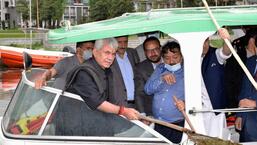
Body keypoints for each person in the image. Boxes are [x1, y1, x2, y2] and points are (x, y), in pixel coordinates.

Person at [144, 41, 185, 143]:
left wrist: (185, 103)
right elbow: (147, 90)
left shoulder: (188, 71)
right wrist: (161, 79)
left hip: (177, 124)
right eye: (167, 58)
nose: (171, 61)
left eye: (175, 57)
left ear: (182, 56)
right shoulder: (160, 68)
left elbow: (198, 94)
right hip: (159, 122)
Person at [201, 28, 231, 110]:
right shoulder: (187, 57)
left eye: (206, 41)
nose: (204, 45)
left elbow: (226, 52)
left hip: (215, 110)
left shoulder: (215, 54)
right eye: (201, 42)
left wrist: (227, 39)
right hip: (195, 107)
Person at [235, 34, 257, 142]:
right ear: (255, 48)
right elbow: (244, 89)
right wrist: (240, 115)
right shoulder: (250, 62)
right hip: (246, 123)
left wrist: (254, 104)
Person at [135, 36, 162, 116]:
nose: (153, 53)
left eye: (155, 49)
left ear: (160, 48)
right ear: (144, 52)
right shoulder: (140, 68)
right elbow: (139, 93)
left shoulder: (171, 62)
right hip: (152, 114)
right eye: (149, 50)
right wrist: (142, 114)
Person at [110, 35, 139, 108]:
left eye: (125, 42)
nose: (123, 45)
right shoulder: (109, 57)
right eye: (119, 42)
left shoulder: (132, 53)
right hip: (118, 105)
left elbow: (139, 76)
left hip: (136, 103)